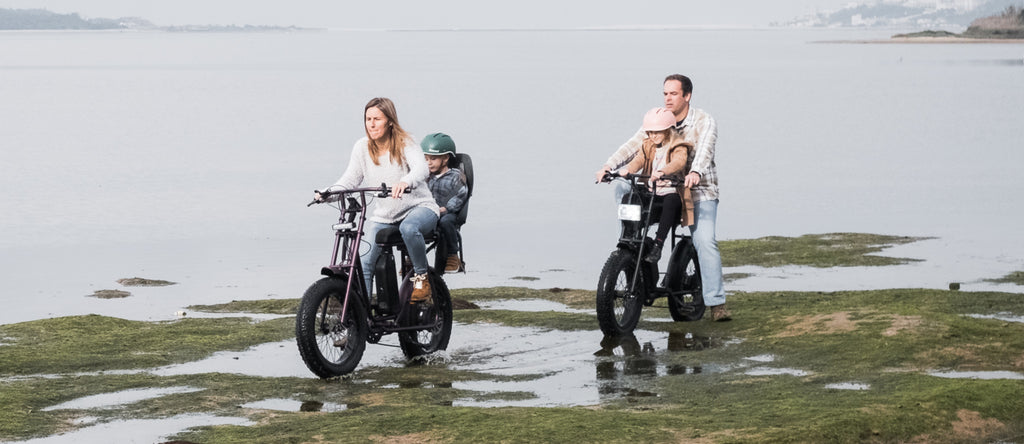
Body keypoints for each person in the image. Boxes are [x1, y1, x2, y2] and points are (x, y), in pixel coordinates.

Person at [594, 74, 729, 322]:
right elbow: (632, 147)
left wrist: (695, 172)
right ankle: (632, 245)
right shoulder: (658, 121)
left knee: (704, 241)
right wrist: (608, 166)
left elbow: (704, 151)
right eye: (665, 93)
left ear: (687, 96)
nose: (668, 98)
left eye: (674, 94)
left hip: (697, 192)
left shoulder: (703, 121)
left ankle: (716, 303)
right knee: (622, 188)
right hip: (659, 189)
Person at [316, 97, 439, 303]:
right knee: (364, 261)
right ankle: (361, 316)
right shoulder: (362, 147)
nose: (371, 124)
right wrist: (327, 193)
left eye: (377, 119)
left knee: (408, 228)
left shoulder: (405, 142)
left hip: (419, 207)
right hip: (385, 216)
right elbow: (349, 179)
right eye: (368, 119)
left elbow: (421, 168)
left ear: (390, 121)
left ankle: (421, 279)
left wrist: (406, 181)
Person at [620, 107, 694, 263]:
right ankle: (628, 235)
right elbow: (639, 160)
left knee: (671, 200)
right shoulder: (647, 145)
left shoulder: (678, 145)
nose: (653, 136)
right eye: (650, 132)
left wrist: (663, 171)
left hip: (670, 192)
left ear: (669, 130)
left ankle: (658, 244)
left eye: (658, 132)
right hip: (651, 191)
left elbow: (679, 162)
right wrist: (627, 170)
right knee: (629, 197)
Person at [421, 132, 468, 272]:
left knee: (446, 222)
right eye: (426, 159)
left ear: (446, 158)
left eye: (433, 159)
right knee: (411, 223)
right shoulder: (425, 177)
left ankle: (453, 255)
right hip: (427, 211)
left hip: (446, 212)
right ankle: (412, 257)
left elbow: (461, 194)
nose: (428, 163)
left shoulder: (455, 176)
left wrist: (446, 208)